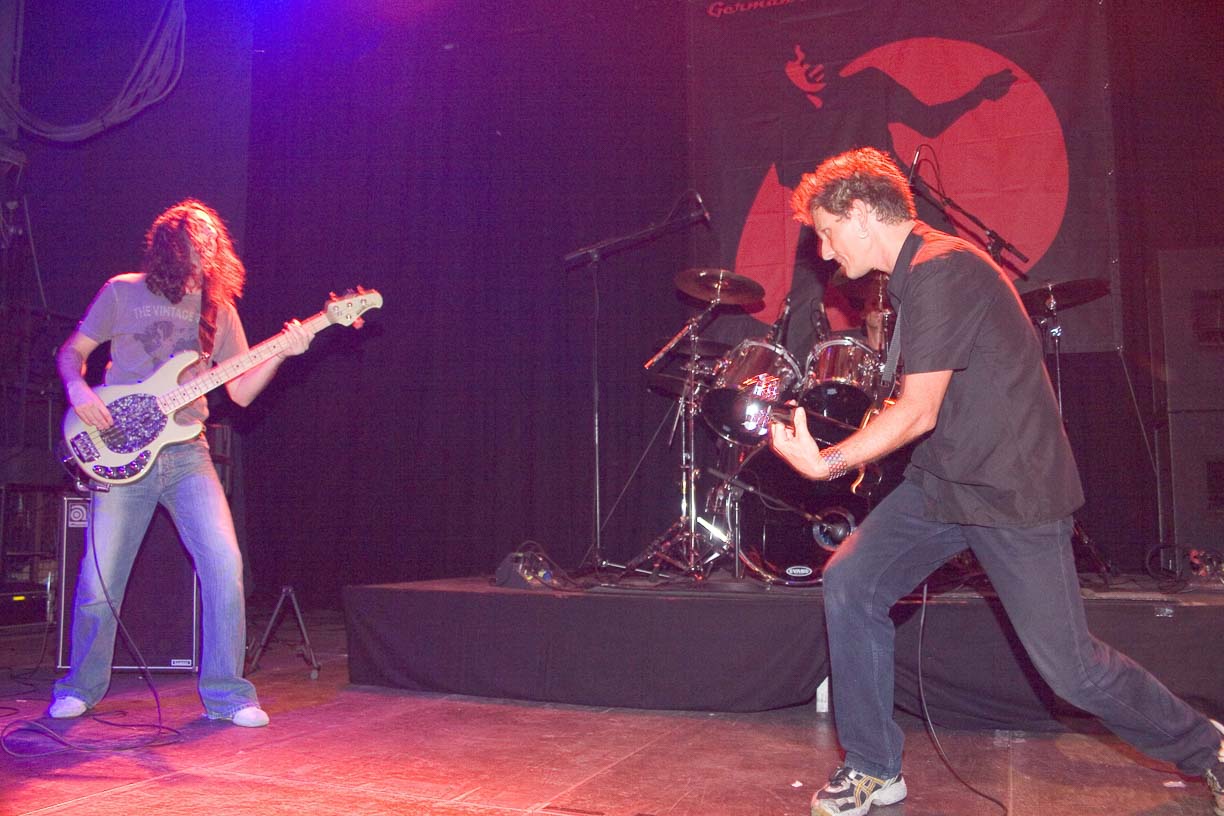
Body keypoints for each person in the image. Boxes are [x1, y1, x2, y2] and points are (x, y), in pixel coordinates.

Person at [768, 147, 1224, 816]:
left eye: (828, 233)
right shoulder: (912, 277)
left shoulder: (943, 268)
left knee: (1071, 670)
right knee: (852, 581)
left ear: (861, 213)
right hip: (945, 483)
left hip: (1011, 490)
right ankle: (872, 765)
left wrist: (827, 462)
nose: (825, 253)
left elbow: (919, 411)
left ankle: (1208, 748)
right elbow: (933, 405)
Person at [49, 199, 311, 728]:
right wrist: (78, 388)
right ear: (172, 241)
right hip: (119, 447)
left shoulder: (219, 312)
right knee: (100, 580)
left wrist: (282, 352)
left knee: (225, 566)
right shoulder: (122, 290)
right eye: (197, 233)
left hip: (188, 452)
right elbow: (71, 352)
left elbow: (240, 392)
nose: (208, 242)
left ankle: (227, 694)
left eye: (214, 235)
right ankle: (79, 686)